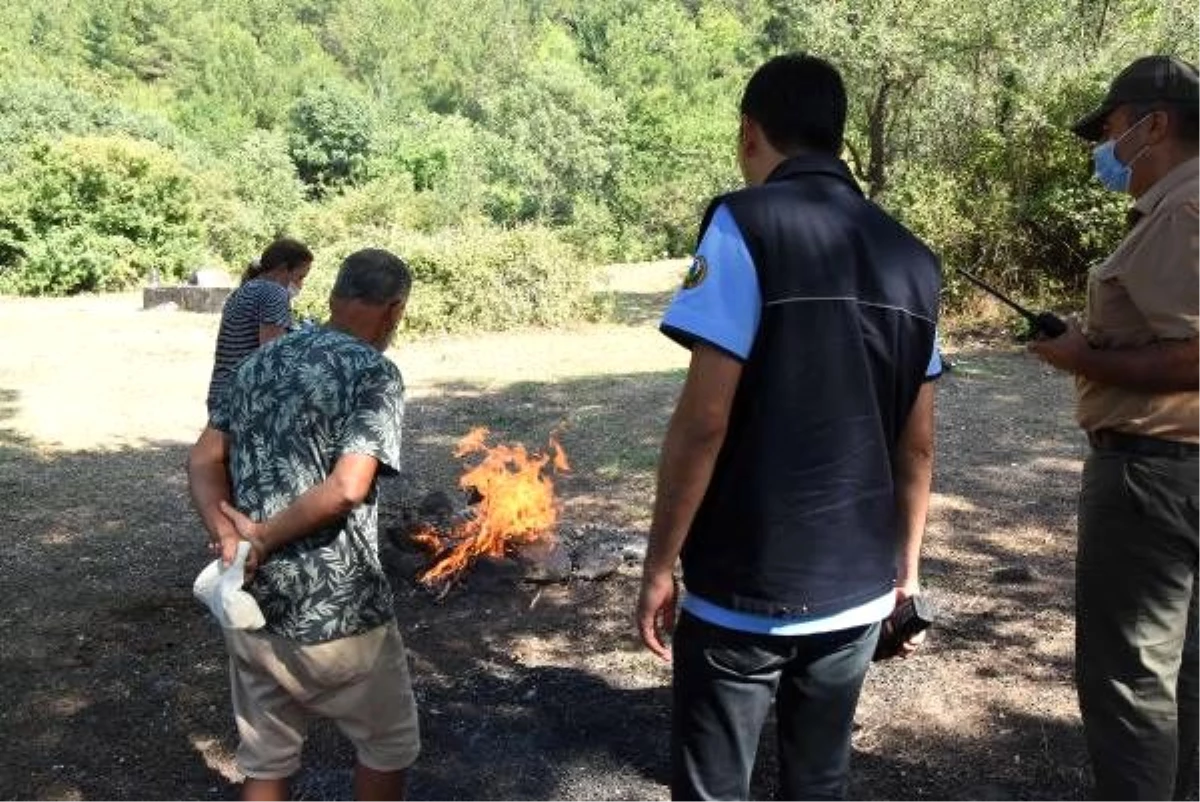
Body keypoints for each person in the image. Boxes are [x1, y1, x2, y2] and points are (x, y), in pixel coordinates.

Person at [635, 54, 942, 801]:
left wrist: (659, 564)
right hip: (858, 588)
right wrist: (906, 570)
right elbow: (919, 442)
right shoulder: (913, 258)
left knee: (715, 787)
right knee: (819, 779)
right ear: (836, 137)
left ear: (750, 133)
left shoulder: (743, 223)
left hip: (743, 586)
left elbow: (704, 422)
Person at [1029, 55, 1200, 802]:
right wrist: (1094, 346)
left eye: (1110, 129)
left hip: (1154, 474)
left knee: (1131, 683)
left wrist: (1076, 356)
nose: (1104, 147)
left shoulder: (1184, 208)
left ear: (1154, 124)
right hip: (1174, 470)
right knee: (1185, 674)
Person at [188, 249, 418, 802]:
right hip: (341, 606)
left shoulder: (257, 366)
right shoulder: (375, 373)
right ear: (392, 311)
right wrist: (262, 535)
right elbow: (347, 487)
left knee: (266, 758)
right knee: (386, 745)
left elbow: (202, 461)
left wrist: (229, 537)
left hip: (254, 601)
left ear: (335, 296)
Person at [205, 237, 314, 419]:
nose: (301, 284)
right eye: (300, 276)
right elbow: (272, 354)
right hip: (247, 397)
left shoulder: (245, 290)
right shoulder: (274, 293)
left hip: (224, 392)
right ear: (283, 268)